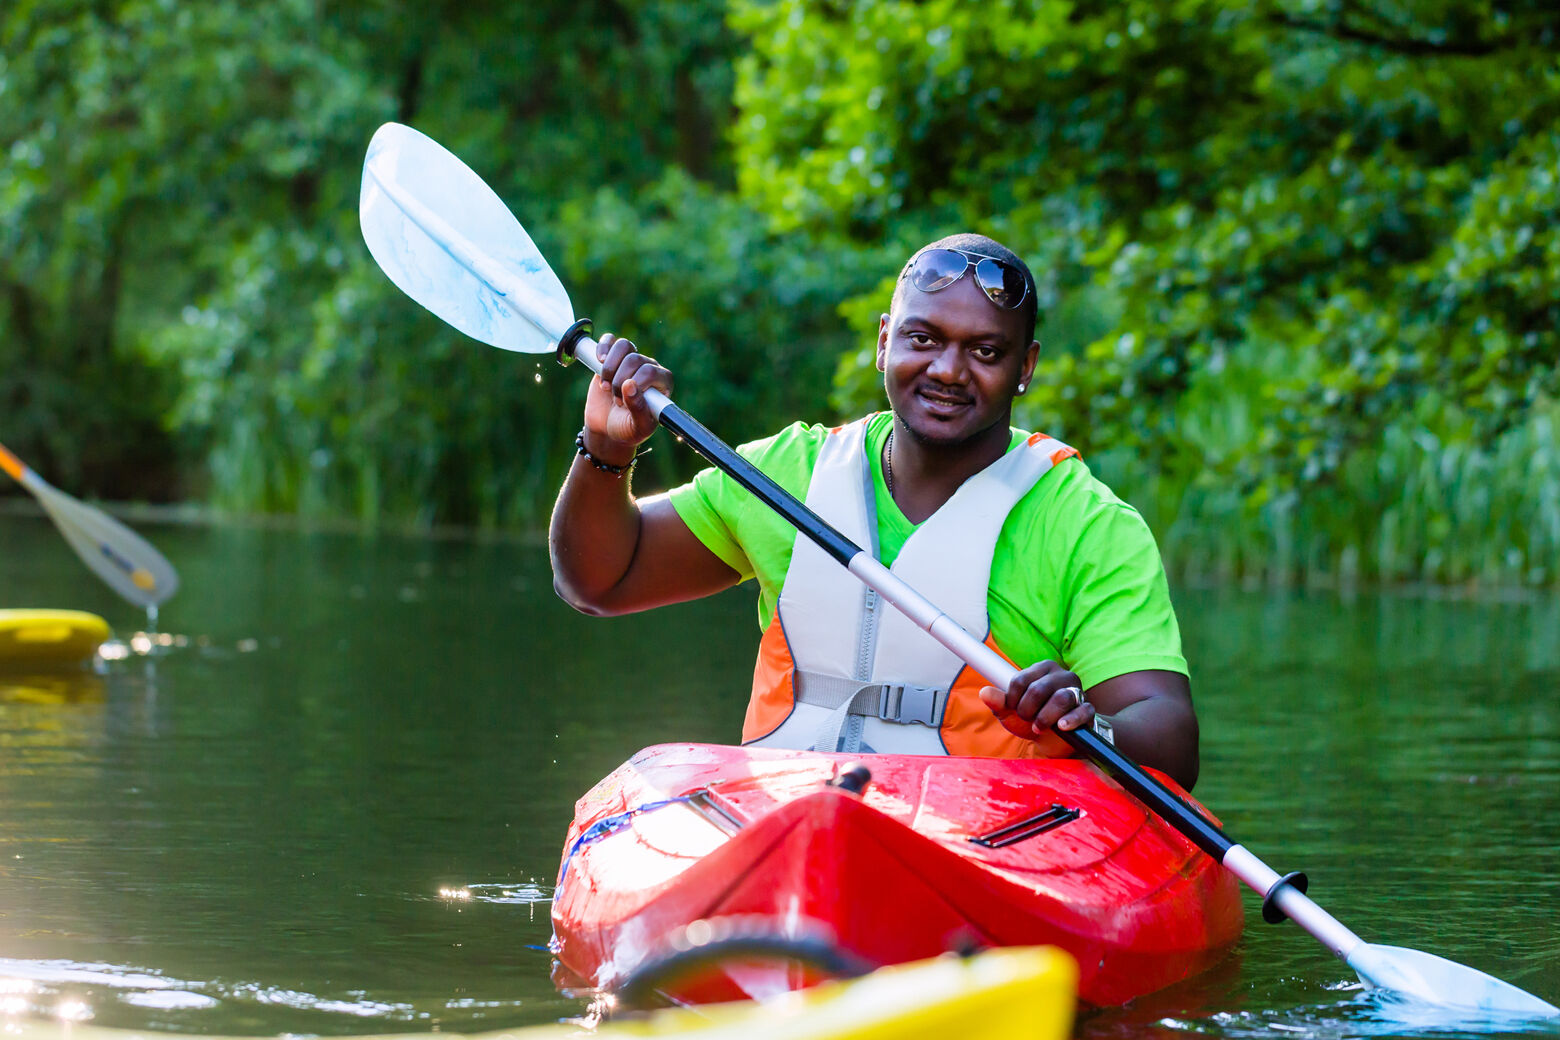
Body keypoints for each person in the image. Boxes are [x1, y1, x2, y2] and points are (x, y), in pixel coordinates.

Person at [549, 234, 1199, 789]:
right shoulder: (789, 473)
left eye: (986, 351)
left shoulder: (1087, 525)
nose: (948, 370)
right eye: (923, 338)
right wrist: (607, 451)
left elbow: (1168, 733)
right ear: (885, 342)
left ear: (1025, 367)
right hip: (782, 819)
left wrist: (1090, 722)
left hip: (981, 844)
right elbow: (599, 581)